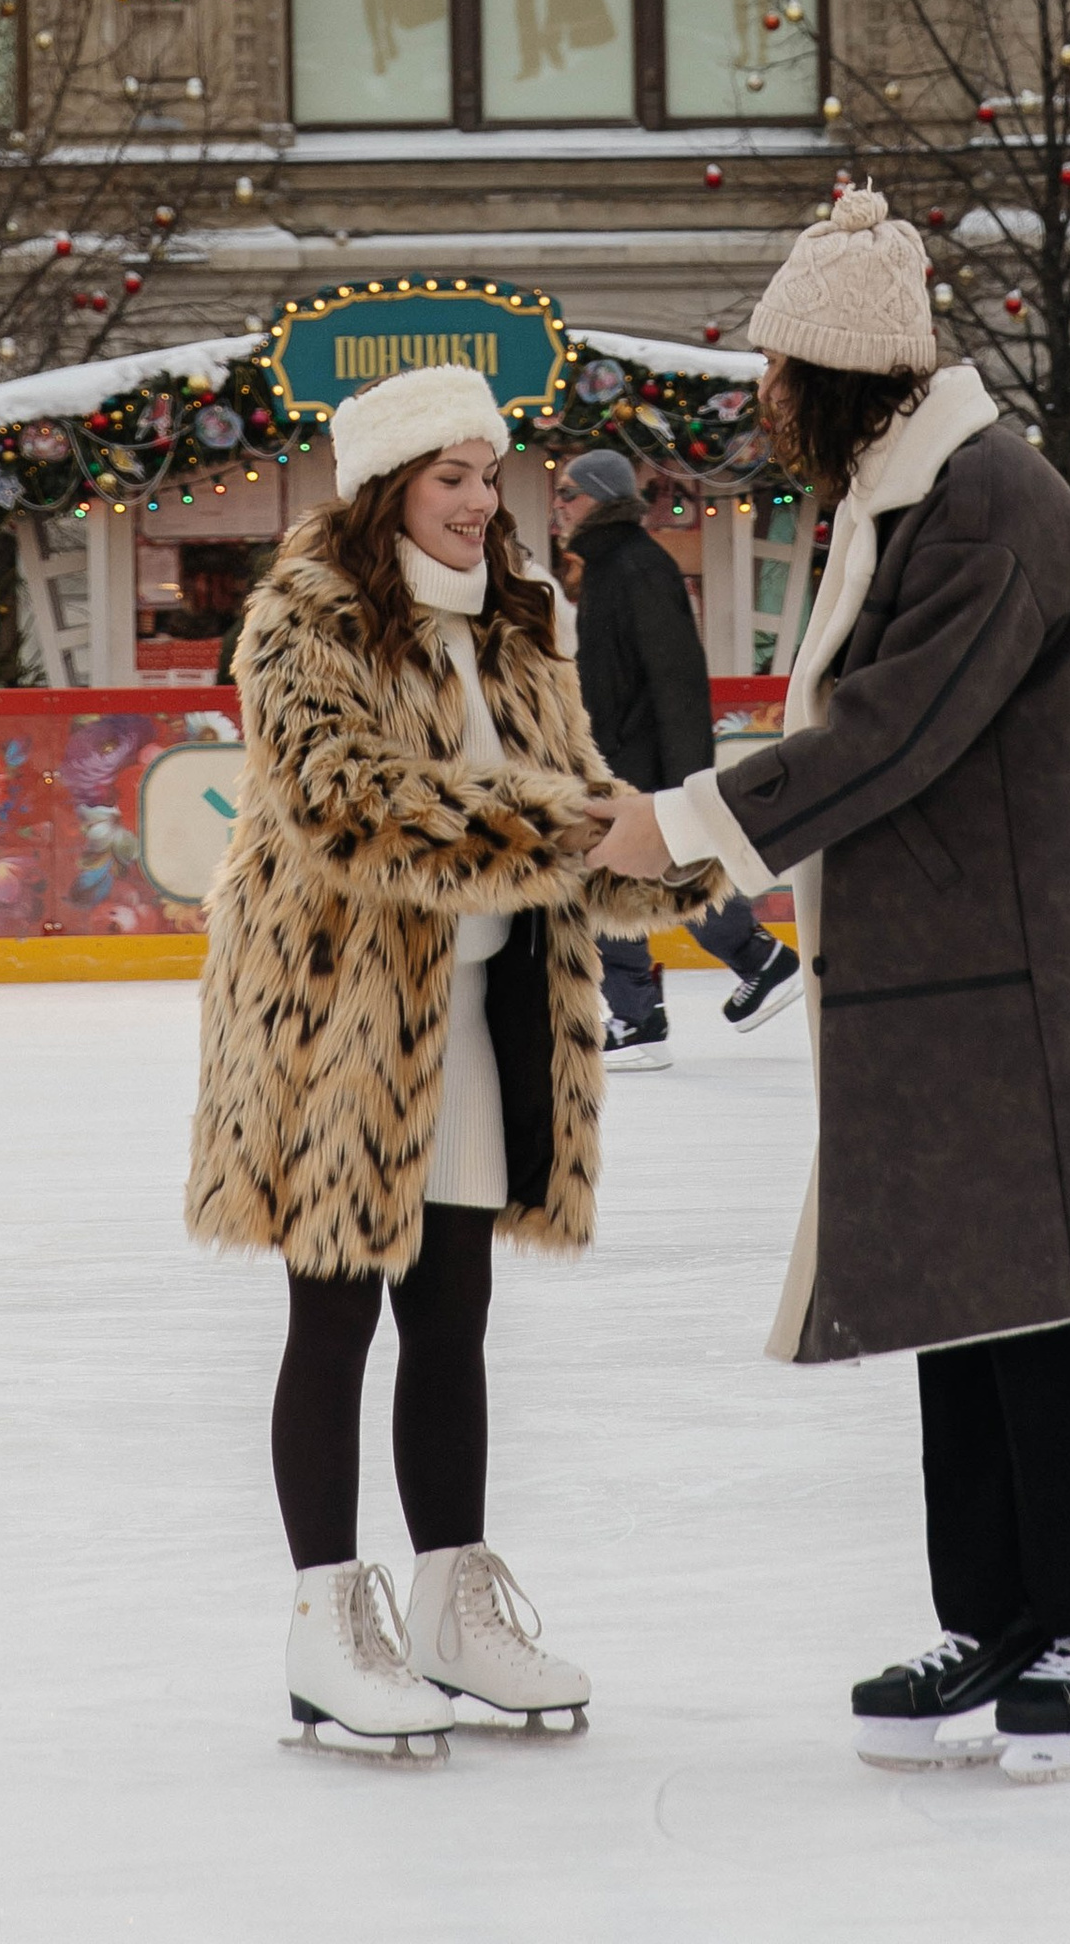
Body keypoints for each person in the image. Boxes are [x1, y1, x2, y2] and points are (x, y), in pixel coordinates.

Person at [584, 184, 1070, 1787]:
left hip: (1039, 976)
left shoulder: (988, 504)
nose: (760, 403)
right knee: (969, 1289)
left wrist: (680, 823)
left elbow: (895, 727)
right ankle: (1009, 1613)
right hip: (952, 973)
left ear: (835, 372)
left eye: (773, 375)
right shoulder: (900, 496)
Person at [186, 363, 707, 1756]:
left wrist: (695, 858)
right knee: (336, 1320)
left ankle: (450, 1607)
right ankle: (324, 1625)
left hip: (478, 1022)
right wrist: (569, 827)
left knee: (453, 1322)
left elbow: (576, 823)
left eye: (493, 475)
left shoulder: (520, 630)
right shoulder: (309, 620)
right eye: (453, 477)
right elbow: (351, 803)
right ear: (387, 489)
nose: (485, 503)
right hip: (331, 1024)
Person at [554, 445, 799, 1065]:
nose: (558, 506)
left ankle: (751, 962)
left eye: (568, 493)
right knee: (614, 886)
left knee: (642, 878)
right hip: (615, 757)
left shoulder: (635, 566)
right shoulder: (609, 566)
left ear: (601, 499)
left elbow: (676, 677)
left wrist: (682, 779)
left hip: (636, 762)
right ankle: (644, 1016)